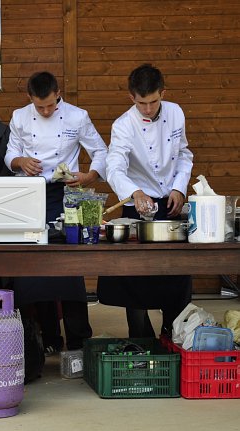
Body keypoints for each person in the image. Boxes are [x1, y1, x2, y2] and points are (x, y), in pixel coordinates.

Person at [4, 71, 107, 353]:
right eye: (40, 107)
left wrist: (89, 176)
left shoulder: (77, 116)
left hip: (66, 195)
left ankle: (78, 340)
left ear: (58, 93)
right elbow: (10, 153)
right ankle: (45, 339)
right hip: (30, 196)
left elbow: (100, 151)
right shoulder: (19, 117)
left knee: (69, 267)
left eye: (51, 105)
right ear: (30, 99)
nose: (46, 111)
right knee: (34, 268)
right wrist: (20, 161)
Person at [98, 64, 194, 337]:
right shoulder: (123, 125)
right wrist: (135, 192)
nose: (148, 109)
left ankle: (173, 335)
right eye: (142, 103)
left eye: (153, 102)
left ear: (163, 93)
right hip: (137, 206)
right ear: (132, 97)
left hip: (170, 205)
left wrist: (179, 188)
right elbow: (114, 167)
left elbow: (184, 154)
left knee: (175, 274)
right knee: (136, 277)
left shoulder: (176, 113)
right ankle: (140, 338)